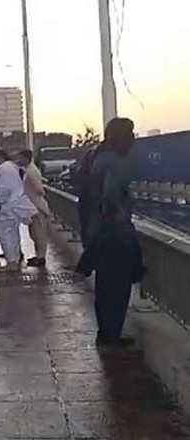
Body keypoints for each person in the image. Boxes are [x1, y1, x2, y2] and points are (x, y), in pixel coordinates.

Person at [76, 117, 146, 347]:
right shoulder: (116, 162)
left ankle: (105, 333)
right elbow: (110, 195)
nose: (133, 138)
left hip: (97, 234)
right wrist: (119, 214)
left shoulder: (96, 156)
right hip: (114, 235)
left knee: (105, 286)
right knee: (117, 287)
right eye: (130, 133)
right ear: (121, 137)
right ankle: (113, 336)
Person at [0, 148, 38, 272]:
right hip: (11, 209)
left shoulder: (5, 169)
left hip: (5, 209)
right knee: (13, 235)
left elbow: (3, 189)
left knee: (6, 237)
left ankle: (12, 262)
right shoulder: (11, 168)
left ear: (0, 158)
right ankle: (14, 260)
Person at [15, 150, 50, 267]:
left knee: (39, 233)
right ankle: (38, 256)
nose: (18, 160)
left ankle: (41, 257)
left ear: (26, 158)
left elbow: (39, 189)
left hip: (37, 205)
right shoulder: (29, 170)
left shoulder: (31, 172)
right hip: (32, 206)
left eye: (20, 158)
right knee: (34, 233)